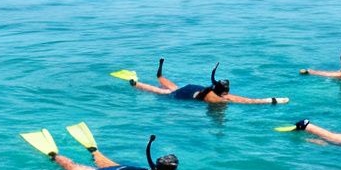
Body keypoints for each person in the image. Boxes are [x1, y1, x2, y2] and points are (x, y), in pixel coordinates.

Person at [21, 125, 253, 170]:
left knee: (102, 159)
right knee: (75, 169)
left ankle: (92, 149)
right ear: (172, 169)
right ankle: (54, 154)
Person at [113, 60, 289, 105]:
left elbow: (248, 101)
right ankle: (135, 83)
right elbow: (248, 101)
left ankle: (156, 74)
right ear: (223, 91)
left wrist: (274, 100)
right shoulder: (217, 99)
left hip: (190, 88)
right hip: (184, 94)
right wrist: (273, 100)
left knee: (167, 86)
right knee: (163, 92)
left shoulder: (213, 93)